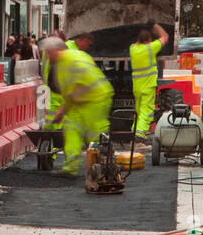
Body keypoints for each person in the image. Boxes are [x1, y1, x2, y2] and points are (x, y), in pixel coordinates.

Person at [43, 37, 114, 176]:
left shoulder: (67, 62)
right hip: (81, 101)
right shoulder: (70, 58)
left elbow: (74, 90)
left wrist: (62, 111)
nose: (47, 56)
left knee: (95, 134)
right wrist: (64, 111)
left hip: (95, 100)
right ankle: (71, 167)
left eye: (48, 52)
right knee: (71, 128)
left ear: (55, 51)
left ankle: (104, 165)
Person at [130, 23, 170, 138]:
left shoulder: (133, 49)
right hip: (148, 87)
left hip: (137, 87)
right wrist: (155, 26)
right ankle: (139, 137)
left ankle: (134, 133)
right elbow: (165, 37)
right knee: (146, 112)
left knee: (138, 112)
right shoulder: (150, 48)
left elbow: (137, 42)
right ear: (149, 40)